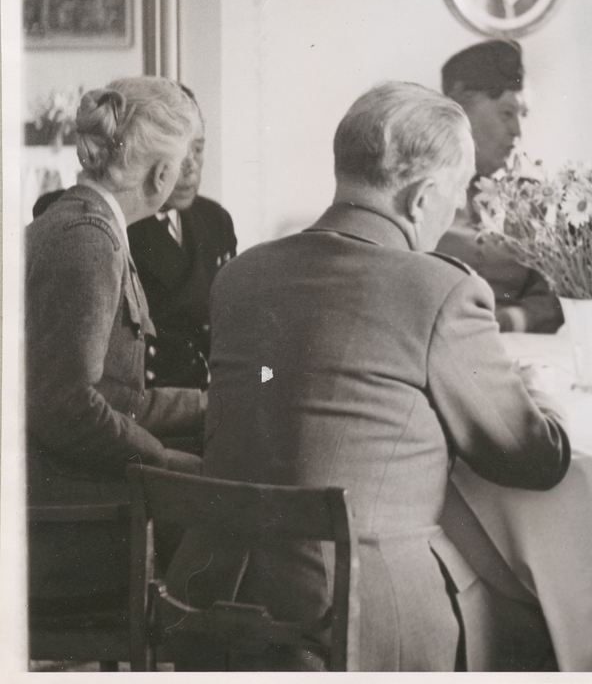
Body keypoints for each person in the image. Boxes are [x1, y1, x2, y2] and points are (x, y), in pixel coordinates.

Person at [164, 81, 571, 671]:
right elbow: (533, 460)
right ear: (422, 198)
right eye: (458, 193)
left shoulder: (241, 276)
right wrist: (542, 394)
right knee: (550, 634)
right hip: (356, 617)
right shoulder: (442, 290)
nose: (457, 210)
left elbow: (286, 387)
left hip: (215, 599)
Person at [26, 77, 206, 605]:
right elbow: (65, 405)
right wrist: (162, 460)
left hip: (65, 487)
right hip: (64, 517)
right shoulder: (88, 239)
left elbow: (114, 396)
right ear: (161, 174)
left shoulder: (85, 224)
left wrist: (208, 405)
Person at [33, 87, 238, 390]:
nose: (190, 168)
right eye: (182, 154)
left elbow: (228, 329)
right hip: (141, 396)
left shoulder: (214, 220)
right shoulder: (93, 226)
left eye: (199, 149)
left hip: (192, 394)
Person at [436, 39, 562, 333]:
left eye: (522, 115)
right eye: (507, 113)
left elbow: (553, 297)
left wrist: (509, 320)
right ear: (461, 112)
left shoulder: (533, 199)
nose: (517, 131)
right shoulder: (420, 192)